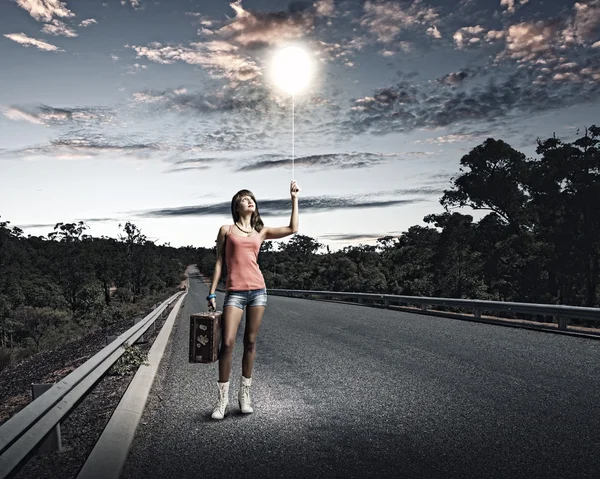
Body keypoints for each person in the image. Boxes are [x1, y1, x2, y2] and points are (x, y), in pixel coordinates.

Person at [206, 180, 301, 419]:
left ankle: (244, 395)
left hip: (258, 290)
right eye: (244, 199)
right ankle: (221, 401)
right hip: (235, 293)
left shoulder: (262, 231)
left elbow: (293, 228)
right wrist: (212, 291)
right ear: (236, 207)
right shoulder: (226, 230)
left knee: (250, 343)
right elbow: (219, 262)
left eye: (252, 199)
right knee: (227, 344)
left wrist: (294, 199)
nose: (250, 201)